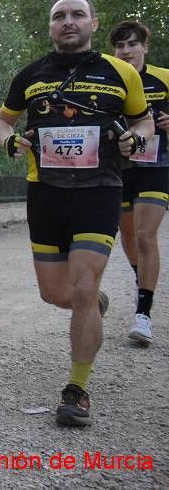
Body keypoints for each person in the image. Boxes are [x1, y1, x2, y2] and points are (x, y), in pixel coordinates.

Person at [0, 0, 153, 427]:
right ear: (50, 27)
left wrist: (134, 141)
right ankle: (92, 304)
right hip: (45, 192)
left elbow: (143, 121)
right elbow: (2, 120)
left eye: (77, 14)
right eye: (59, 16)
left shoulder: (120, 72)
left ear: (93, 23)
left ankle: (77, 389)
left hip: (99, 190)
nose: (68, 21)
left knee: (81, 288)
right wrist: (8, 139)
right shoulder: (31, 75)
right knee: (55, 293)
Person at [109, 20, 168, 345]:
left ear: (145, 47)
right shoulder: (110, 82)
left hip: (157, 164)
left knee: (146, 235)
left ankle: (143, 314)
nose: (126, 51)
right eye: (120, 46)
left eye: (132, 44)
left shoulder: (164, 78)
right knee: (129, 237)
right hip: (121, 169)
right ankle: (142, 280)